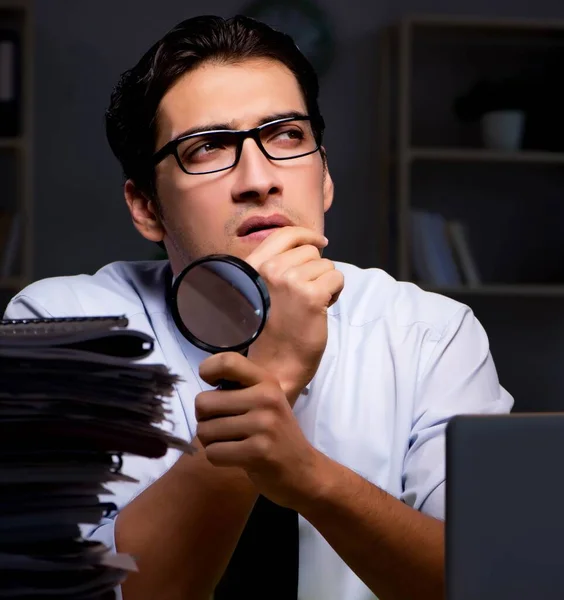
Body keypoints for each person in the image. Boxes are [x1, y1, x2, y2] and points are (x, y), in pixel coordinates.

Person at [4, 14, 514, 600]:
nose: (259, 177)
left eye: (286, 136)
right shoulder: (60, 326)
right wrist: (271, 371)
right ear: (147, 206)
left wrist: (309, 478)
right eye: (207, 147)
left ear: (323, 177)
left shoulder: (431, 334)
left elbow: (486, 581)